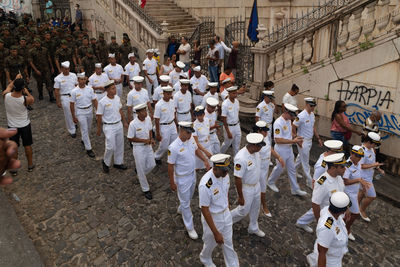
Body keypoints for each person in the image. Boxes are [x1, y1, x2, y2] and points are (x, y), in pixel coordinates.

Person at [168, 121, 210, 239]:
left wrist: (205, 160)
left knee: (189, 197)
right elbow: (170, 166)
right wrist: (172, 182)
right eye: (188, 132)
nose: (190, 135)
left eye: (191, 132)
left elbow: (196, 150)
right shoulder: (174, 147)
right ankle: (190, 227)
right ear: (181, 131)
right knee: (187, 204)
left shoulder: (190, 139)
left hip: (192, 175)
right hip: (182, 179)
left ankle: (181, 207)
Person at [198, 154, 239, 267]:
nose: (226, 173)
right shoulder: (205, 185)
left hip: (225, 214)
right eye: (224, 170)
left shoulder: (225, 176)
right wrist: (216, 233)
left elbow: (225, 191)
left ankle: (233, 264)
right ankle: (205, 257)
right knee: (210, 243)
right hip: (213, 217)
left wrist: (227, 205)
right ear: (215, 168)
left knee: (228, 243)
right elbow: (205, 210)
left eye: (227, 169)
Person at [295, 153, 346, 234]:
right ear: (333, 167)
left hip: (334, 209)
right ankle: (301, 222)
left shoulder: (339, 178)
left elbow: (342, 193)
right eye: (342, 167)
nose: (345, 169)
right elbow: (315, 204)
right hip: (327, 212)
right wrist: (320, 221)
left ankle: (301, 222)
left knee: (313, 211)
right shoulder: (322, 183)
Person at [266, 103, 306, 196]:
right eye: (292, 116)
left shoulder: (288, 120)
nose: (292, 118)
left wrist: (296, 137)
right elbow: (278, 140)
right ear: (287, 112)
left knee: (292, 169)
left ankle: (295, 189)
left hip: (288, 148)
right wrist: (293, 141)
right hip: (281, 149)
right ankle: (270, 181)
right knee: (279, 168)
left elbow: (289, 133)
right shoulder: (278, 123)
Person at [231, 133, 266, 237]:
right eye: (260, 145)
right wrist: (240, 196)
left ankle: (253, 227)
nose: (261, 148)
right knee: (243, 211)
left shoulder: (256, 153)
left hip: (256, 185)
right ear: (253, 145)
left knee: (256, 208)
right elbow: (237, 178)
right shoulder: (241, 158)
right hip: (247, 188)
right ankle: (224, 221)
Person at [306, 191, 350, 267]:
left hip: (336, 253)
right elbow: (322, 253)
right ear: (342, 211)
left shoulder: (328, 210)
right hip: (330, 261)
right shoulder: (327, 229)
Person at [2, 76, 34, 173]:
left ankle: (14, 168)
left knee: (14, 147)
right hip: (24, 125)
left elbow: (8, 87)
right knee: (27, 146)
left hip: (12, 126)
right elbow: (32, 99)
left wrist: (15, 79)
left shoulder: (6, 96)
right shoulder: (25, 99)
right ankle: (30, 165)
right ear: (23, 88)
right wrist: (26, 91)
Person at [96, 80, 128, 173]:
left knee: (120, 144)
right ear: (107, 90)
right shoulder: (102, 102)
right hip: (109, 126)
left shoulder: (117, 98)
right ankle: (105, 162)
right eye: (113, 88)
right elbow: (99, 116)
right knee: (110, 147)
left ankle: (118, 162)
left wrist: (124, 121)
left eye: (114, 88)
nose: (115, 90)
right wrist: (98, 129)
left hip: (118, 124)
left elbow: (120, 110)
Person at [254, 121, 284, 217]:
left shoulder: (265, 136)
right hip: (259, 165)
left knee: (261, 186)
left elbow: (269, 148)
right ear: (259, 131)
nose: (267, 133)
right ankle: (263, 206)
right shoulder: (255, 140)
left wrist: (278, 157)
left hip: (266, 164)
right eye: (264, 131)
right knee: (261, 186)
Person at [127, 103, 156, 200]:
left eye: (146, 110)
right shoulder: (133, 124)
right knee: (141, 168)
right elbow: (130, 138)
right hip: (138, 148)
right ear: (138, 113)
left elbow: (150, 130)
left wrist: (151, 139)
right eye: (143, 111)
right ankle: (145, 189)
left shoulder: (148, 119)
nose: (146, 112)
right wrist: (144, 141)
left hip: (148, 146)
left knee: (152, 164)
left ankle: (140, 173)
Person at [293, 97, 323, 188]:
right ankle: (309, 181)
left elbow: (313, 127)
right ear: (306, 104)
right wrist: (297, 140)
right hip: (303, 141)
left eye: (314, 106)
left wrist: (318, 138)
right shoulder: (301, 116)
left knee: (300, 157)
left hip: (309, 141)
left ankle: (293, 172)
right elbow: (293, 127)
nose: (313, 108)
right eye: (311, 106)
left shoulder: (312, 115)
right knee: (306, 163)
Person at [343, 145, 371, 241]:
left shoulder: (358, 164)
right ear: (351, 154)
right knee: (350, 213)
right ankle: (343, 229)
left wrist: (363, 185)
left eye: (360, 157)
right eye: (357, 156)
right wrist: (359, 180)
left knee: (354, 214)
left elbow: (359, 176)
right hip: (347, 193)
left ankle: (346, 229)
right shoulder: (347, 165)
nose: (359, 159)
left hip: (354, 193)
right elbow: (345, 182)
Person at [70, 72, 98, 158]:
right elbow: (71, 104)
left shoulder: (90, 89)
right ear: (78, 80)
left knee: (89, 128)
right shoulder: (74, 91)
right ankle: (88, 149)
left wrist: (98, 111)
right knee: (85, 129)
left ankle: (84, 139)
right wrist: (73, 116)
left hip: (89, 110)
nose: (82, 81)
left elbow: (94, 100)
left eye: (84, 79)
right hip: (80, 112)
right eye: (81, 80)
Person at [358, 132, 384, 222]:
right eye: (374, 144)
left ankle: (355, 208)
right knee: (372, 196)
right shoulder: (362, 150)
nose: (375, 146)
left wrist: (379, 169)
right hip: (363, 177)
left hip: (369, 176)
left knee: (361, 192)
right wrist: (374, 164)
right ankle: (361, 210)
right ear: (369, 142)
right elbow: (361, 166)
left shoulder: (372, 149)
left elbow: (373, 161)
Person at [154, 86, 177, 165]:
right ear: (163, 93)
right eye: (167, 94)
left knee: (174, 144)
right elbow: (156, 120)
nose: (169, 95)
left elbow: (174, 113)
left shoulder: (172, 101)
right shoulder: (159, 105)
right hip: (164, 126)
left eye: (170, 93)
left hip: (172, 124)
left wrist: (176, 125)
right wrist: (157, 133)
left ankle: (171, 158)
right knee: (164, 145)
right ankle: (157, 156)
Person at [54, 61, 78, 138]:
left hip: (75, 96)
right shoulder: (58, 78)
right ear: (61, 69)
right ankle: (72, 130)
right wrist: (58, 101)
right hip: (65, 97)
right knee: (68, 114)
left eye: (68, 69)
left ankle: (74, 123)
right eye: (65, 69)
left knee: (76, 111)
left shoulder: (73, 75)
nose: (67, 70)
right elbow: (56, 90)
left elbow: (76, 85)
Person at [220, 86, 241, 155]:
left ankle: (236, 161)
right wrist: (228, 131)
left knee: (237, 144)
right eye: (233, 93)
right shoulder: (225, 104)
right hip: (229, 126)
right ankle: (220, 155)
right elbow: (223, 118)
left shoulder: (237, 101)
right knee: (227, 143)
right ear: (229, 93)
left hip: (237, 125)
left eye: (236, 93)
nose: (235, 95)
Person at [193, 106, 213, 170]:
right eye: (197, 115)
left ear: (204, 114)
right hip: (200, 147)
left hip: (208, 144)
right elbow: (196, 142)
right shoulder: (194, 125)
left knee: (210, 165)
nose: (199, 117)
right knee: (198, 166)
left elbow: (208, 131)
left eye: (200, 115)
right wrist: (205, 151)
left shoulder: (207, 120)